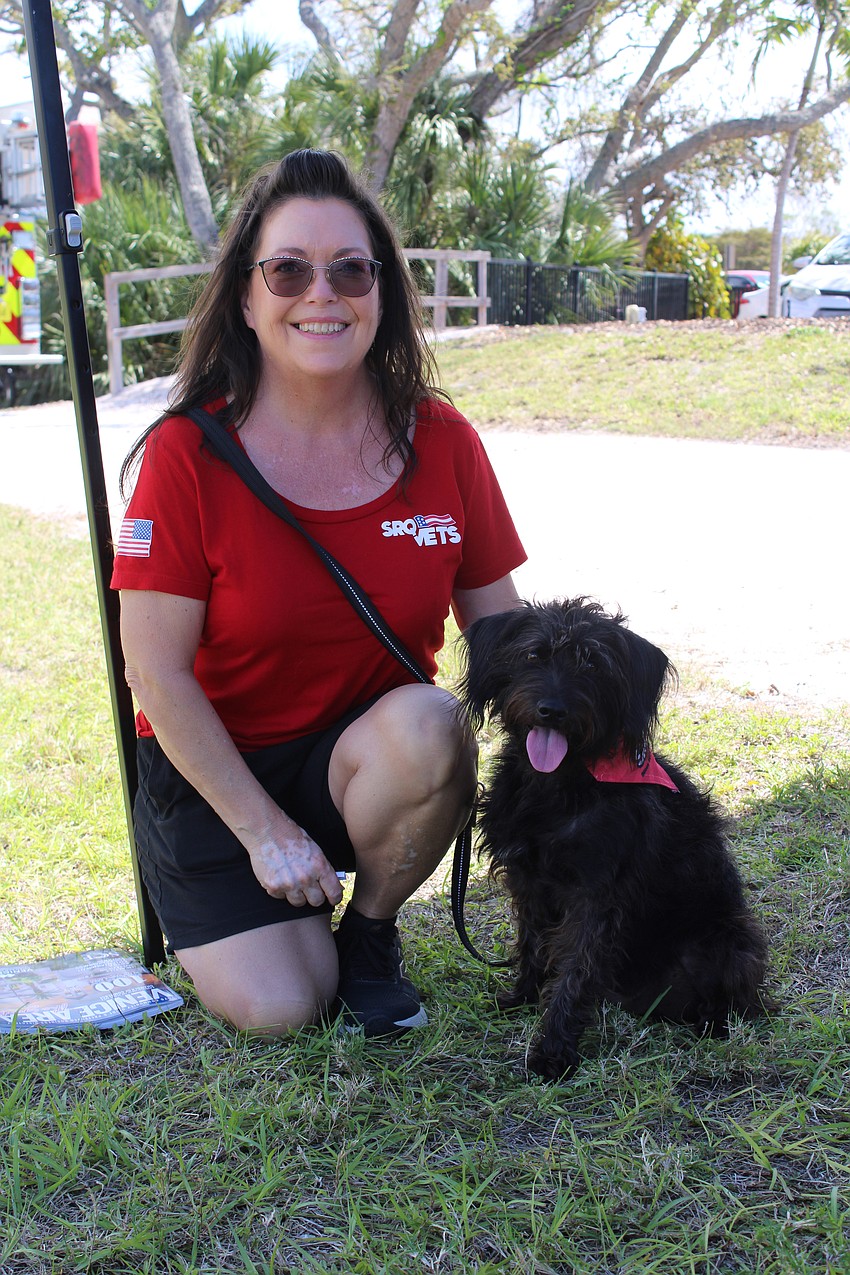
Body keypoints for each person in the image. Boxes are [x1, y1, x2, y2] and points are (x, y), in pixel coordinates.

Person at [111, 148, 526, 1040]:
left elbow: (506, 633)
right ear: (248, 298)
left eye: (350, 269)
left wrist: (596, 742)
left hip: (365, 759)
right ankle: (253, 904)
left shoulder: (443, 440)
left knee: (432, 724)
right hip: (216, 771)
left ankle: (371, 930)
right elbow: (155, 672)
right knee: (284, 1007)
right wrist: (263, 831)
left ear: (382, 292)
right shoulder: (186, 456)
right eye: (289, 269)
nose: (322, 293)